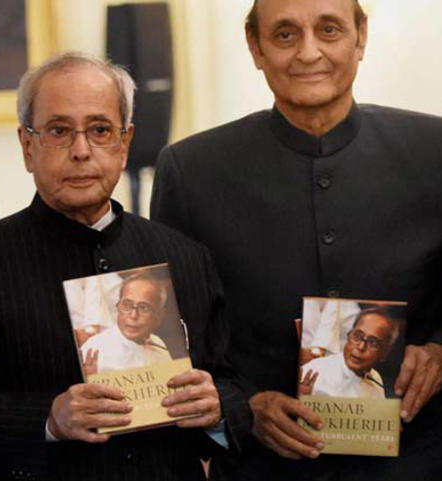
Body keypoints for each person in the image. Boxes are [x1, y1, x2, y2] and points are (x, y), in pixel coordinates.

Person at [0, 52, 249, 481]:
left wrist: (217, 407)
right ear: (27, 146)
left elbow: (235, 385)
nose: (80, 151)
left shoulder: (185, 256)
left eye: (100, 130)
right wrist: (48, 420)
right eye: (58, 131)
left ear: (125, 143)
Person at [151, 0, 442, 479]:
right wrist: (244, 408)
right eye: (285, 35)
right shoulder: (190, 171)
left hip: (419, 460)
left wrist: (439, 354)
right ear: (255, 47)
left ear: (360, 37)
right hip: (263, 468)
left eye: (329, 30)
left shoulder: (435, 151)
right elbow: (173, 339)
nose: (309, 52)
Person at [80, 274, 172, 374]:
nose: (133, 315)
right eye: (127, 305)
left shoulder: (158, 345)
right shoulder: (94, 349)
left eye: (143, 308)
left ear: (160, 316)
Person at [300, 308, 400, 399]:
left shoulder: (375, 379)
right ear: (349, 335)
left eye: (372, 342)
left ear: (384, 353)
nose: (361, 347)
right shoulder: (314, 371)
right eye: (357, 336)